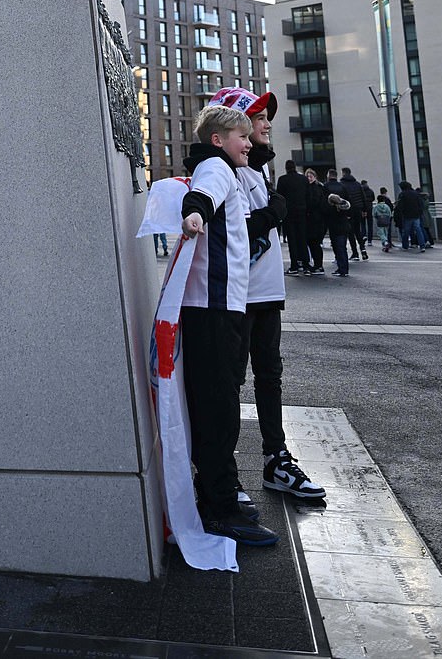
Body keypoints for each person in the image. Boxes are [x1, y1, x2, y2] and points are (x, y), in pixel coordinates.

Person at [141, 103, 278, 553]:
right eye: (242, 135)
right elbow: (202, 197)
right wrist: (195, 212)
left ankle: (216, 493)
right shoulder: (217, 167)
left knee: (212, 404)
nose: (249, 142)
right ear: (219, 139)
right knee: (218, 406)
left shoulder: (222, 167)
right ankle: (222, 508)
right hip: (215, 307)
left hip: (215, 305)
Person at [209, 89, 326, 509]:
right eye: (257, 116)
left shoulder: (255, 171)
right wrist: (276, 210)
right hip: (239, 297)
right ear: (233, 125)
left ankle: (276, 460)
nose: (266, 124)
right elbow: (240, 231)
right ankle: (224, 473)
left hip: (266, 294)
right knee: (229, 384)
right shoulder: (227, 170)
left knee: (269, 378)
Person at [276, 159, 311, 275]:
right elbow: (308, 196)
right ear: (295, 167)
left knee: (292, 240)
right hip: (302, 212)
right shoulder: (303, 179)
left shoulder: (282, 180)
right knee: (302, 239)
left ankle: (294, 265)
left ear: (286, 168)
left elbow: (279, 198)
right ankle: (306, 264)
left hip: (289, 213)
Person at [323, 173, 352, 276]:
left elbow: (326, 214)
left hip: (336, 230)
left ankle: (342, 269)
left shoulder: (331, 210)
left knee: (339, 249)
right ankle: (343, 268)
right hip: (344, 228)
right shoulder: (344, 207)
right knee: (342, 249)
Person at [339, 166, 367, 260]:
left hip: (349, 210)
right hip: (358, 210)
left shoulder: (342, 184)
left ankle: (355, 253)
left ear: (343, 173)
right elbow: (363, 198)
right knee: (358, 231)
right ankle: (363, 250)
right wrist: (364, 210)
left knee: (350, 233)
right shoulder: (357, 184)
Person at [304, 169, 329, 273]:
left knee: (314, 243)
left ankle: (318, 265)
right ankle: (318, 264)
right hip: (318, 219)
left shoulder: (313, 188)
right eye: (308, 176)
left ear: (314, 177)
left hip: (314, 219)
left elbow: (313, 202)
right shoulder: (320, 187)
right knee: (314, 243)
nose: (309, 178)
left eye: (311, 176)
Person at [394, 181, 428, 252]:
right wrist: (419, 212)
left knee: (406, 231)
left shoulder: (402, 194)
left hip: (407, 215)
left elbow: (400, 206)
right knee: (418, 230)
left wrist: (401, 212)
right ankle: (422, 245)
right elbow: (420, 204)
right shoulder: (416, 194)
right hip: (416, 215)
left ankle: (405, 246)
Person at [360, 178, 376, 245]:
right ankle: (370, 240)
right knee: (370, 225)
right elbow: (373, 198)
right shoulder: (371, 191)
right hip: (369, 208)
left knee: (362, 224)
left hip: (362, 209)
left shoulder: (360, 191)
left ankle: (363, 236)